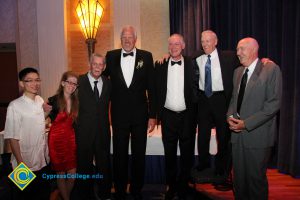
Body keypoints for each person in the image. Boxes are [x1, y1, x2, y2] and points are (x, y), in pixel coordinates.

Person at [104, 25, 156, 200]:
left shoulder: (146, 56)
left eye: (130, 37)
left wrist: (152, 115)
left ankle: (136, 189)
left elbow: (152, 88)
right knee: (119, 154)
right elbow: (100, 78)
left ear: (135, 39)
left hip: (141, 115)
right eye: (124, 37)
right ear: (121, 39)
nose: (127, 40)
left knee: (139, 154)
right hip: (118, 115)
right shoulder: (110, 57)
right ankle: (119, 190)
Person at [227, 37, 282, 200]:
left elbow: (273, 104)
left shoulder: (271, 69)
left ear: (253, 50)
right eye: (237, 49)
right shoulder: (237, 72)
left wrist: (246, 124)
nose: (238, 53)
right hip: (237, 137)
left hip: (258, 137)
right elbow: (233, 99)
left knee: (255, 181)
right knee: (239, 181)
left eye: (241, 49)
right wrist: (229, 116)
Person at [192, 30, 240, 189]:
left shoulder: (229, 56)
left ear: (216, 41)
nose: (205, 44)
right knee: (203, 134)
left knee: (223, 136)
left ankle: (221, 168)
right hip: (203, 100)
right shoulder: (196, 57)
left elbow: (247, 60)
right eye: (202, 41)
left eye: (208, 41)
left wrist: (263, 60)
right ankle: (203, 164)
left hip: (221, 99)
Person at [155, 34, 197, 200]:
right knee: (169, 155)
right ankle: (171, 187)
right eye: (171, 44)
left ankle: (183, 186)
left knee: (187, 155)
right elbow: (155, 91)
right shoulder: (160, 64)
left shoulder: (192, 63)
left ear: (183, 45)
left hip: (187, 117)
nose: (173, 47)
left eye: (177, 44)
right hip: (168, 117)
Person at [4, 67, 50, 200]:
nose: (35, 83)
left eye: (37, 80)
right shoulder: (14, 106)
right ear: (21, 83)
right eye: (29, 80)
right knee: (24, 196)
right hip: (23, 161)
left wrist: (46, 113)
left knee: (42, 194)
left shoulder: (40, 100)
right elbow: (12, 137)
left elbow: (40, 122)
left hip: (41, 159)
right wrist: (20, 163)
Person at [72, 53, 112, 200]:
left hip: (103, 132)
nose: (97, 67)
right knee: (84, 166)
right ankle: (85, 195)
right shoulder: (78, 82)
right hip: (83, 133)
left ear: (104, 67)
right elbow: (63, 97)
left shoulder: (108, 83)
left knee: (104, 166)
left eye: (101, 64)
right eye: (95, 64)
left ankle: (105, 194)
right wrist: (47, 107)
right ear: (89, 64)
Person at [47, 71, 79, 200]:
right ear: (62, 83)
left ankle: (64, 195)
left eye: (75, 84)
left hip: (70, 139)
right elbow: (46, 118)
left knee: (72, 174)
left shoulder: (76, 101)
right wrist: (44, 118)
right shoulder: (53, 100)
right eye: (69, 82)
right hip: (56, 140)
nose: (72, 86)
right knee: (60, 173)